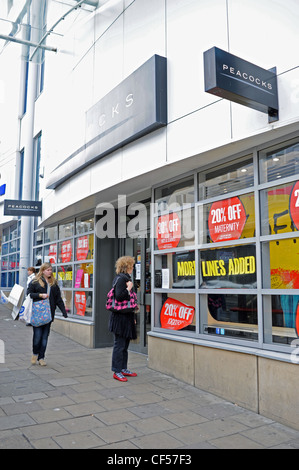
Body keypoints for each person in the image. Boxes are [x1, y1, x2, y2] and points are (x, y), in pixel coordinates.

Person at [27, 262, 68, 366]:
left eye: (51, 270)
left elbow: (58, 299)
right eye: (48, 270)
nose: (50, 272)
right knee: (37, 337)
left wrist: (64, 311)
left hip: (49, 314)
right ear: (43, 270)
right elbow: (29, 293)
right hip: (37, 314)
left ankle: (41, 358)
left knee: (45, 338)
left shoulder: (53, 283)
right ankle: (35, 354)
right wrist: (41, 295)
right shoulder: (35, 282)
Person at [109, 256, 138, 382]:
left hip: (127, 317)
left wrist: (133, 317)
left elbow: (131, 302)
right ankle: (117, 370)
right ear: (126, 267)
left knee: (124, 345)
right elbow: (120, 297)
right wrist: (128, 288)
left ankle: (123, 368)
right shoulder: (121, 279)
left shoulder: (126, 278)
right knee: (119, 345)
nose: (133, 268)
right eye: (131, 266)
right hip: (120, 318)